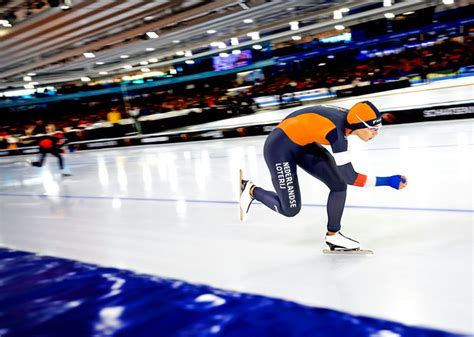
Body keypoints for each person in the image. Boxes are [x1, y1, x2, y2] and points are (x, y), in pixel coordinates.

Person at [239, 101, 407, 251]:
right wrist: (388, 181)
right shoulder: (337, 133)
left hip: (303, 142)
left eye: (379, 128)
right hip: (279, 148)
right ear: (359, 125)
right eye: (373, 129)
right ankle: (251, 190)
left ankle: (333, 235)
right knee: (290, 209)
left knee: (338, 186)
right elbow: (351, 177)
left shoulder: (349, 120)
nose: (375, 134)